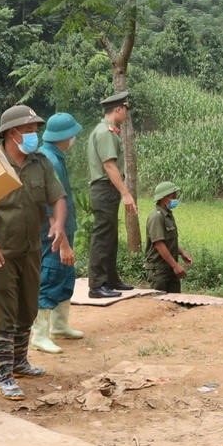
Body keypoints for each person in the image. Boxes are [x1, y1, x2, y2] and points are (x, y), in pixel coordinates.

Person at [0, 105, 69, 401]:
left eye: (35, 130)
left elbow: (58, 197)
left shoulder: (40, 163)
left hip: (31, 248)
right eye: (29, 130)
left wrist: (58, 224)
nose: (34, 135)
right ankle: (4, 375)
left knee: (27, 307)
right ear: (12, 133)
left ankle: (20, 362)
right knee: (4, 312)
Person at [32, 112, 83, 355]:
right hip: (53, 234)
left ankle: (59, 326)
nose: (74, 138)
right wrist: (62, 243)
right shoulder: (49, 160)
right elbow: (49, 204)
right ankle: (40, 334)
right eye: (72, 134)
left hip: (62, 231)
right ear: (65, 136)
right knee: (50, 276)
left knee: (65, 274)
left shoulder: (54, 156)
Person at [85, 90, 136, 298]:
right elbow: (109, 166)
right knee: (103, 236)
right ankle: (97, 285)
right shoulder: (105, 133)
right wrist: (126, 193)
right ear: (118, 109)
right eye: (125, 110)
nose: (126, 114)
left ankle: (111, 279)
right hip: (104, 188)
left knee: (110, 236)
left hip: (107, 189)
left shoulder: (107, 131)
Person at [145, 181, 192, 294]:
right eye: (173, 196)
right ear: (163, 198)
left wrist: (182, 253)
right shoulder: (157, 217)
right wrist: (175, 266)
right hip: (159, 269)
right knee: (160, 301)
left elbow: (169, 240)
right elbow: (159, 244)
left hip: (169, 266)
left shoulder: (168, 215)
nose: (175, 199)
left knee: (174, 300)